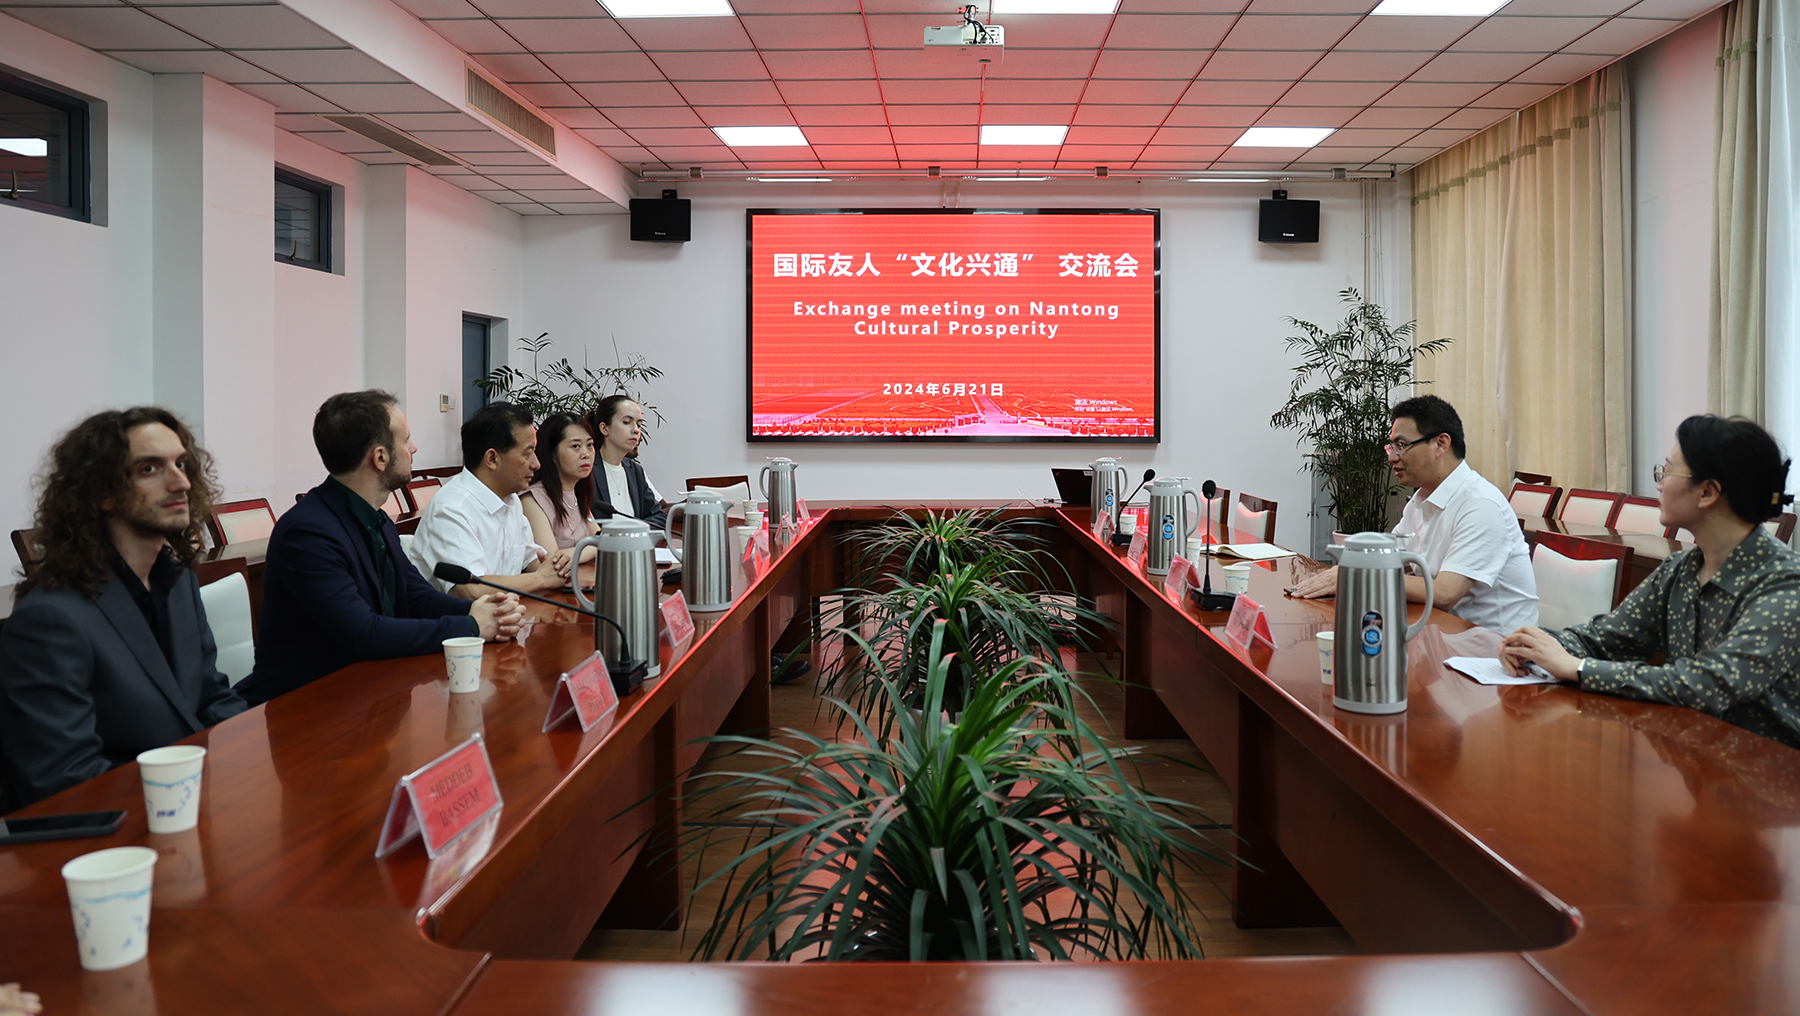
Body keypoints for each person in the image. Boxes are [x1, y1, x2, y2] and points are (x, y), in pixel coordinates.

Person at [1501, 416, 1800, 749]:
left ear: (1707, 492)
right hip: (1695, 755)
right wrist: (1534, 646)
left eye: (1667, 472)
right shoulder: (1679, 570)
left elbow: (1710, 683)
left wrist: (1579, 668)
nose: (1659, 484)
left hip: (1769, 770)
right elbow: (1605, 639)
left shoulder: (1786, 584)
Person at [0, 408, 245, 807]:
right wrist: (183, 792)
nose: (180, 482)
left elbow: (212, 696)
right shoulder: (50, 621)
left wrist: (252, 757)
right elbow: (64, 783)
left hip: (193, 804)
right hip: (118, 827)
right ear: (102, 493)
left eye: (181, 464)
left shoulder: (177, 581)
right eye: (150, 469)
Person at [235, 391, 526, 705]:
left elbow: (415, 596)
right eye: (406, 440)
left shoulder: (379, 520)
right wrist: (471, 625)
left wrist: (484, 610)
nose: (413, 448)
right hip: (307, 705)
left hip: (370, 693)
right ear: (380, 458)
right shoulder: (307, 533)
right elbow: (363, 633)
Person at [1291, 395, 1538, 633]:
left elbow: (1445, 594)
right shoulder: (1420, 500)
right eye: (1391, 447)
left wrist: (1355, 576)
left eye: (1401, 445)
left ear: (1440, 444)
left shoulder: (1481, 505)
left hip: (1494, 650)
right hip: (1441, 634)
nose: (1392, 457)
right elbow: (1387, 559)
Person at [408, 402, 570, 597]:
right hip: (460, 616)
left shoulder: (511, 499)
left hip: (506, 612)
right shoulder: (452, 509)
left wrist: (555, 568)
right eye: (527, 453)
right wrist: (542, 578)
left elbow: (530, 561)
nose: (536, 464)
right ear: (492, 459)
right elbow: (470, 590)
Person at [523, 411, 602, 573]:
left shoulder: (577, 494)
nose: (586, 454)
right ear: (552, 454)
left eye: (589, 445)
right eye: (575, 446)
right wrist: (596, 546)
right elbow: (553, 562)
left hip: (582, 581)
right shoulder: (532, 499)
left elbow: (601, 540)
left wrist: (597, 545)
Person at [588, 395, 667, 530]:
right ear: (604, 428)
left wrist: (634, 531)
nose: (636, 430)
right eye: (626, 422)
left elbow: (658, 516)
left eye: (639, 424)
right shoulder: (587, 468)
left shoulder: (635, 470)